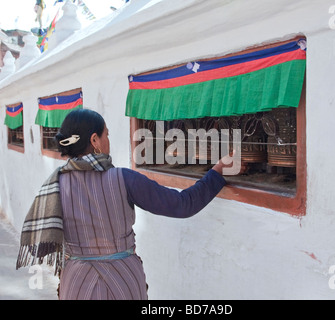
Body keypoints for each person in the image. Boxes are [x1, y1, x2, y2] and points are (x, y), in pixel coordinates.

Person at [17, 109, 231, 300]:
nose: (108, 140)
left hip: (76, 283)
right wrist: (218, 171)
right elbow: (183, 205)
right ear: (95, 140)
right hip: (123, 281)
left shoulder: (54, 185)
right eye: (106, 134)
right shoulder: (124, 179)